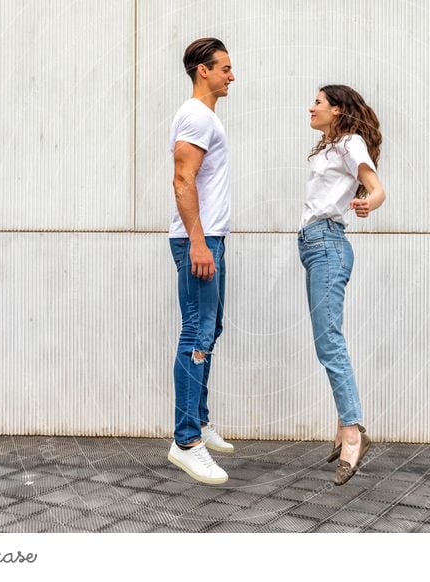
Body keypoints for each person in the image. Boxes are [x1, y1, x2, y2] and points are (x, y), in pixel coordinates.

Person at [298, 84, 386, 485]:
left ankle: (353, 433)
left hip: (328, 245)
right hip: (316, 246)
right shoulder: (332, 147)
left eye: (317, 102)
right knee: (327, 338)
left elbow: (375, 184)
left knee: (328, 340)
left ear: (337, 109)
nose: (310, 107)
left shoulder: (351, 144)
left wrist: (371, 201)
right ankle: (343, 426)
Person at [166, 38, 236, 485]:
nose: (232, 75)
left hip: (210, 239)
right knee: (196, 329)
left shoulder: (207, 117)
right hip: (199, 240)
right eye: (225, 68)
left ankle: (200, 420)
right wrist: (197, 241)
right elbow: (182, 177)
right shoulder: (195, 115)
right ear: (202, 71)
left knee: (211, 327)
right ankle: (186, 440)